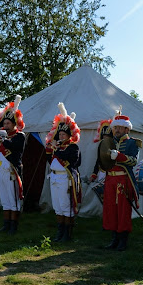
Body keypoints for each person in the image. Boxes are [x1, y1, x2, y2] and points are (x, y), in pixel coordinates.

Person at [102, 107, 141, 251]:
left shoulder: (133, 143)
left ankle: (123, 240)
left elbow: (133, 161)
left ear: (127, 129)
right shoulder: (109, 142)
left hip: (123, 181)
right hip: (110, 180)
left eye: (120, 127)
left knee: (123, 211)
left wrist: (119, 156)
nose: (117, 130)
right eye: (115, 127)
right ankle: (114, 239)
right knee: (111, 210)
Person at [45, 103, 82, 242]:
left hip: (65, 179)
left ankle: (67, 233)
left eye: (63, 134)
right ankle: (60, 232)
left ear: (68, 135)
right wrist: (50, 149)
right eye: (59, 134)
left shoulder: (73, 147)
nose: (60, 136)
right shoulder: (57, 147)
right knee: (57, 207)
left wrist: (58, 149)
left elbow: (73, 159)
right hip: (54, 177)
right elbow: (49, 160)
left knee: (66, 206)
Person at [0, 95, 26, 234]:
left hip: (12, 170)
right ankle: (6, 224)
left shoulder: (19, 136)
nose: (5, 126)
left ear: (14, 124)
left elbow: (15, 148)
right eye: (4, 124)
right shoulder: (2, 137)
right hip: (1, 170)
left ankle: (13, 226)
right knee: (5, 199)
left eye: (8, 124)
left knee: (13, 199)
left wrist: (2, 138)